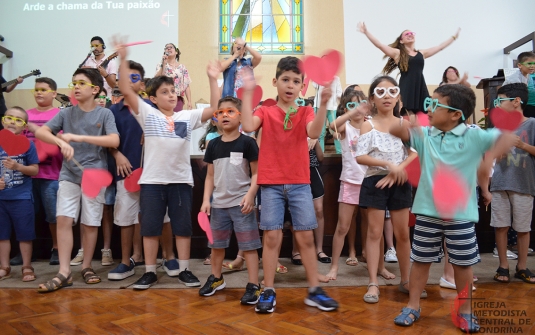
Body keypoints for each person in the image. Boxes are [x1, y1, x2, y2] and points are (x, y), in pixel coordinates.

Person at [389, 84, 513, 332]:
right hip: (427, 212)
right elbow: (394, 129)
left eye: (435, 104)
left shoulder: (474, 135)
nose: (429, 109)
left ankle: (465, 311)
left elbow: (508, 138)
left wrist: (487, 159)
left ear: (456, 114)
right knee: (421, 261)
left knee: (463, 264)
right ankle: (413, 306)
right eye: (429, 104)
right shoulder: (426, 135)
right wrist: (406, 123)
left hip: (460, 215)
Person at [114, 36, 218, 290]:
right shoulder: (147, 113)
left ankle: (184, 269)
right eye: (164, 92)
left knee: (182, 227)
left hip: (181, 181)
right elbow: (127, 90)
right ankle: (150, 271)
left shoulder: (186, 115)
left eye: (173, 91)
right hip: (152, 182)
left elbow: (214, 107)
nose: (171, 95)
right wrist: (124, 58)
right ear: (153, 98)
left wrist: (213, 79)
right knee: (150, 228)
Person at [240, 56, 339, 313]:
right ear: (275, 81)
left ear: (302, 87)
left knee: (305, 238)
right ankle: (269, 289)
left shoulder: (305, 110)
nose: (290, 85)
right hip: (271, 184)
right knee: (271, 237)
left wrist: (323, 105)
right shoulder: (266, 110)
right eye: (285, 79)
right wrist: (249, 93)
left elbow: (314, 132)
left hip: (299, 183)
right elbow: (248, 125)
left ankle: (314, 290)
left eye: (296, 81)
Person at [35, 68, 119, 292]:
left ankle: (87, 266)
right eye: (74, 84)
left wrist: (77, 137)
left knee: (90, 222)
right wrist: (61, 142)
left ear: (95, 89)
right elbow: (41, 132)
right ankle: (64, 272)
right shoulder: (65, 113)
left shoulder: (105, 114)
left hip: (94, 174)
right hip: (69, 174)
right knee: (63, 219)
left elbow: (114, 140)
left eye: (81, 83)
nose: (76, 87)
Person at [355, 76, 416, 304]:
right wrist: (388, 165)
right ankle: (373, 282)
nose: (387, 96)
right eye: (380, 92)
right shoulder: (367, 124)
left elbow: (415, 151)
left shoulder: (404, 124)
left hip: (399, 182)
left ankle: (406, 280)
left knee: (402, 234)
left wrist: (397, 169)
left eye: (392, 91)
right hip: (375, 182)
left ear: (398, 96)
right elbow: (361, 156)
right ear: (372, 99)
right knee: (374, 232)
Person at [199, 96, 262, 304]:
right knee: (216, 246)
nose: (224, 115)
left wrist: (250, 195)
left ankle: (254, 284)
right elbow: (209, 176)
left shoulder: (248, 142)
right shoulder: (213, 145)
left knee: (249, 246)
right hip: (219, 205)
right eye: (220, 112)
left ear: (241, 116)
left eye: (230, 112)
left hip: (242, 204)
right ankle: (217, 278)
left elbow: (256, 174)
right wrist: (206, 200)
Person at [358, 22, 460, 113]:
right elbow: (380, 45)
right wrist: (366, 32)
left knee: (424, 111)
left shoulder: (422, 53)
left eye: (412, 34)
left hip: (420, 86)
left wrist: (453, 37)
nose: (410, 35)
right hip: (407, 87)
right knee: (408, 113)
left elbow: (440, 47)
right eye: (407, 34)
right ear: (401, 41)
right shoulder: (398, 53)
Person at [107, 60, 148, 281]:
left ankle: (153, 258)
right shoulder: (112, 111)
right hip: (126, 173)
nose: (130, 83)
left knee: (156, 217)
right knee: (125, 218)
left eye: (135, 78)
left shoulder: (152, 108)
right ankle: (125, 262)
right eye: (126, 78)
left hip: (152, 174)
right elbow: (107, 141)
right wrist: (116, 154)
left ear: (142, 84)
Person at [490, 83, 535, 284]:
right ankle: (503, 265)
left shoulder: (531, 123)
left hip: (523, 184)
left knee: (523, 227)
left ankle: (522, 266)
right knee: (501, 225)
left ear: (516, 102)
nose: (497, 105)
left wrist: (522, 145)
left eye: (501, 100)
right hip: (500, 183)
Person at [325, 91, 369, 280]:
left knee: (373, 227)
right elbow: (332, 125)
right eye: (352, 105)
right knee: (342, 227)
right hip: (350, 182)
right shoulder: (346, 128)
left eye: (361, 104)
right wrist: (352, 112)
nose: (357, 109)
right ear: (345, 109)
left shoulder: (371, 126)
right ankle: (334, 267)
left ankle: (376, 264)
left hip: (370, 182)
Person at [25, 78, 62, 266]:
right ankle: (27, 252)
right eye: (36, 89)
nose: (39, 93)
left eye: (44, 90)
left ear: (54, 94)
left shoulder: (59, 115)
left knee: (53, 215)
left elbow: (60, 143)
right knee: (27, 214)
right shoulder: (26, 115)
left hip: (51, 175)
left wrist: (38, 131)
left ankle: (57, 248)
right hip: (27, 175)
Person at [0, 107, 39, 282]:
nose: (12, 122)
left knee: (25, 234)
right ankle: (4, 266)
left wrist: (18, 167)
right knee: (2, 234)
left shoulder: (28, 145)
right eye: (9, 118)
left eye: (18, 120)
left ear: (24, 127)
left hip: (21, 197)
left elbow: (34, 170)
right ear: (3, 121)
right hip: (1, 199)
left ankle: (26, 266)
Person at [155, 43, 192, 111]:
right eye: (166, 48)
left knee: (176, 119)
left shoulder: (182, 67)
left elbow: (186, 85)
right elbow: (157, 79)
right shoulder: (160, 64)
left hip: (177, 98)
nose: (168, 48)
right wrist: (164, 64)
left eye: (171, 47)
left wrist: (189, 101)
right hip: (164, 97)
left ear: (176, 52)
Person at [312, 76, 343, 152]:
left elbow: (339, 93)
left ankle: (339, 153)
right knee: (320, 133)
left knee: (336, 131)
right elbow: (314, 85)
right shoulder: (319, 77)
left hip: (332, 108)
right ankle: (321, 153)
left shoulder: (336, 78)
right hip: (319, 107)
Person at [502, 52, 535, 118]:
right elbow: (517, 98)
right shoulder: (515, 79)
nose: (532, 66)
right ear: (519, 65)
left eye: (534, 63)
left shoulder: (529, 76)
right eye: (529, 63)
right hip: (513, 105)